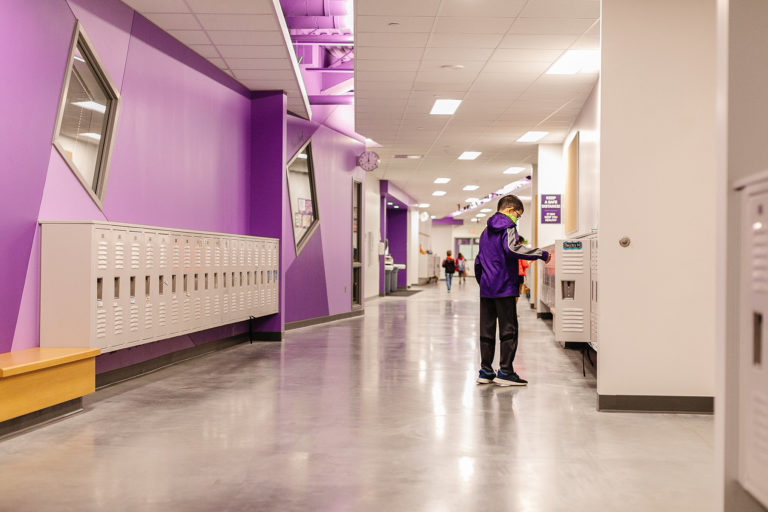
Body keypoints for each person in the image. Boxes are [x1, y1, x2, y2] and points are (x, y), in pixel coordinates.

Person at [474, 195, 551, 386]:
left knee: (487, 330)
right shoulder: (508, 227)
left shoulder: (485, 232)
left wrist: (483, 282)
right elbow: (512, 249)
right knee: (509, 329)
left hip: (487, 288)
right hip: (504, 287)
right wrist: (540, 253)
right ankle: (506, 372)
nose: (518, 218)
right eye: (518, 215)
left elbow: (478, 261)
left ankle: (485, 371)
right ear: (510, 210)